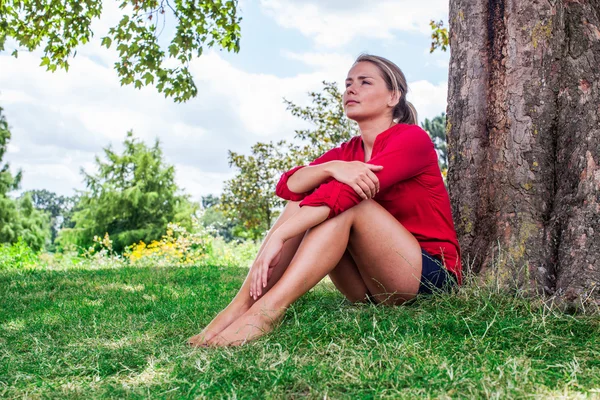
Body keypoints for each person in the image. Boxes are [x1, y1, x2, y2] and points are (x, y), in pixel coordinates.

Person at [188, 54, 461, 347]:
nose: (350, 90)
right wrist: (331, 168)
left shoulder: (412, 139)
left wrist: (281, 234)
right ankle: (239, 306)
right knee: (308, 197)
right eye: (347, 84)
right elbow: (289, 186)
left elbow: (347, 196)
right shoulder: (348, 151)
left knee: (350, 204)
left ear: (393, 96)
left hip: (428, 276)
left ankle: (266, 313)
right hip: (368, 288)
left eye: (364, 82)